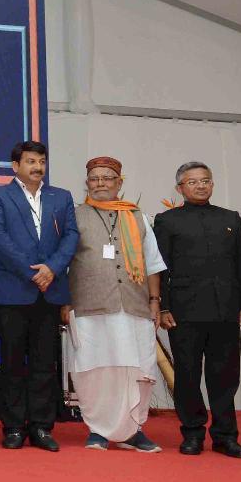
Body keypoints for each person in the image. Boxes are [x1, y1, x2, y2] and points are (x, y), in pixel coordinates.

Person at [62, 157, 166, 453]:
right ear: (86, 183)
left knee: (137, 368)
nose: (100, 183)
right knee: (94, 370)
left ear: (120, 182)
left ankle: (133, 430)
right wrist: (65, 303)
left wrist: (154, 301)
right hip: (89, 306)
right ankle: (97, 430)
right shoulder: (74, 216)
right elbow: (63, 263)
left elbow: (152, 264)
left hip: (134, 307)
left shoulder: (138, 217)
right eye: (94, 178)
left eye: (107, 178)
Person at [154, 161, 241, 459]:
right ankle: (192, 433)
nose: (200, 186)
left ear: (212, 184)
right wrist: (163, 307)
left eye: (205, 180)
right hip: (184, 313)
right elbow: (160, 268)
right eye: (193, 182)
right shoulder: (167, 221)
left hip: (226, 311)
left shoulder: (230, 218)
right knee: (187, 376)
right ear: (180, 188)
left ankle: (226, 437)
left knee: (225, 377)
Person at [0, 140, 79, 451]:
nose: (38, 167)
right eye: (31, 162)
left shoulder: (61, 197)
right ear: (16, 166)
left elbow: (71, 236)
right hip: (12, 291)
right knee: (12, 363)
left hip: (50, 292)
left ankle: (41, 427)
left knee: (44, 363)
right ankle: (13, 427)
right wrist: (33, 272)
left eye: (41, 162)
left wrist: (52, 268)